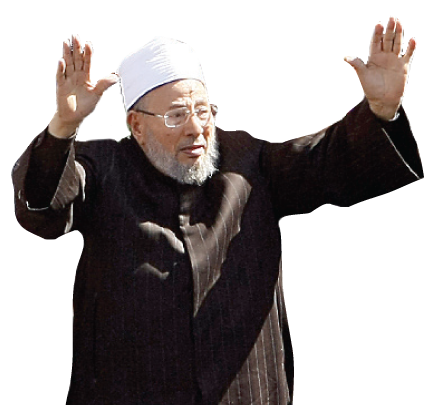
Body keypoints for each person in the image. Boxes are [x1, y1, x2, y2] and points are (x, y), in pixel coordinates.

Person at [12, 16, 423, 405]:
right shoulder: (103, 169)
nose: (196, 128)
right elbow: (44, 208)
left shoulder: (248, 161)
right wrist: (63, 128)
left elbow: (326, 161)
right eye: (177, 115)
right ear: (136, 125)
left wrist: (380, 109)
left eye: (203, 111)